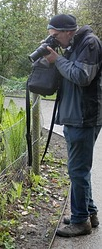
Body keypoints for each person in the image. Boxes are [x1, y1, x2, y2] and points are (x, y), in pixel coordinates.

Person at [44, 14, 102, 237]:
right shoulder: (73, 45)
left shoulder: (90, 43)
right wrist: (54, 58)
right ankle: (89, 213)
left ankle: (80, 222)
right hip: (74, 116)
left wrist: (57, 60)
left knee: (77, 170)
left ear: (68, 31)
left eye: (56, 36)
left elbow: (81, 76)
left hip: (84, 117)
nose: (55, 40)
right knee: (79, 170)